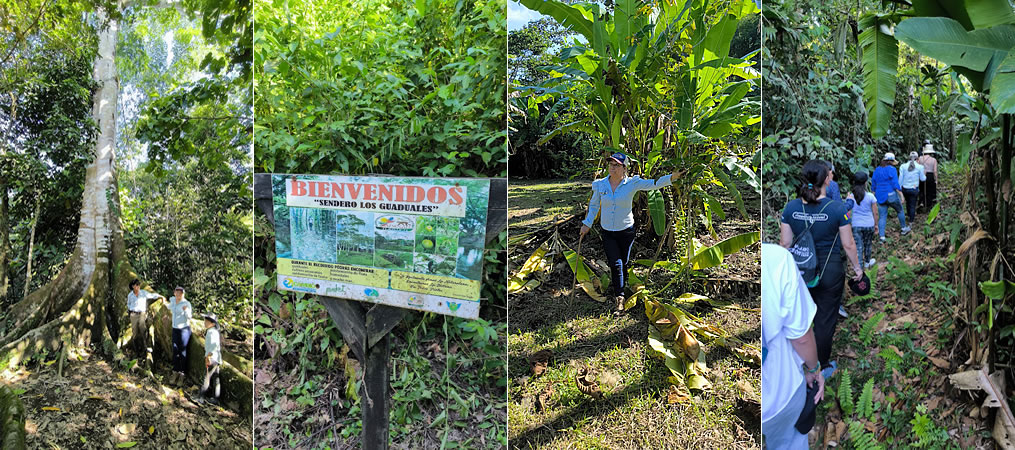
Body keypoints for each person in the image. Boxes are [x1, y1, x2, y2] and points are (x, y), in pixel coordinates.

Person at [780, 160, 863, 375]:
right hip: (830, 271)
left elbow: (785, 244)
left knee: (799, 316)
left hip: (799, 271)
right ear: (827, 179)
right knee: (825, 319)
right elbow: (848, 244)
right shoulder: (837, 209)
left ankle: (797, 363)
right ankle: (821, 366)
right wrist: (858, 270)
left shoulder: (791, 208)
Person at [579, 152, 678, 314]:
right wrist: (586, 224)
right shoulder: (600, 184)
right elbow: (594, 205)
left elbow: (653, 184)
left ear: (625, 168)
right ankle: (620, 297)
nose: (612, 167)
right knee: (615, 263)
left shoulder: (632, 183)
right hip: (608, 232)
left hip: (626, 231)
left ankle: (620, 284)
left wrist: (671, 177)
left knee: (623, 263)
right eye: (611, 164)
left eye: (617, 165)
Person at [762, 243, 824, 449]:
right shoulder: (776, 258)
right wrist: (814, 369)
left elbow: (787, 240)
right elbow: (801, 336)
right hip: (781, 394)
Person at [871, 153, 909, 241]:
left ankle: (882, 237)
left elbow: (873, 185)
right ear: (891, 161)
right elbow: (895, 183)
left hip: (879, 196)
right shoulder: (892, 169)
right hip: (890, 194)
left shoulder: (877, 170)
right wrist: (901, 195)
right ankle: (903, 228)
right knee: (899, 210)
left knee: (883, 216)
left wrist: (873, 195)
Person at [845, 171, 879, 270]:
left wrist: (848, 223)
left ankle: (858, 268)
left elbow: (848, 213)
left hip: (856, 224)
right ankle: (867, 262)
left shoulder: (851, 197)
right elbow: (875, 213)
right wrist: (876, 225)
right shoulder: (870, 196)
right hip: (869, 224)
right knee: (868, 244)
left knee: (858, 247)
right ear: (865, 183)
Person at [126, 279, 165, 361]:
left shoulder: (143, 293)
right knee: (135, 333)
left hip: (142, 313)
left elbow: (152, 295)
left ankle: (146, 347)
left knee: (142, 327)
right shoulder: (130, 295)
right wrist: (130, 311)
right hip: (133, 314)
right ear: (133, 286)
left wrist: (160, 296)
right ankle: (137, 351)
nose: (138, 286)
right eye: (136, 285)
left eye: (138, 285)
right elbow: (128, 304)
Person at [169, 286, 193, 385]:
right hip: (175, 329)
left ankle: (182, 374)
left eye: (181, 293)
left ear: (183, 294)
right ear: (174, 293)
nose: (178, 295)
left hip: (184, 330)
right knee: (175, 349)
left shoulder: (186, 303)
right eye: (177, 292)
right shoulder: (173, 300)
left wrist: (186, 310)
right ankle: (175, 371)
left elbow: (189, 316)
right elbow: (169, 306)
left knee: (182, 351)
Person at [200, 313, 222, 405]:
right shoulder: (214, 332)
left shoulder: (211, 332)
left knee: (207, 377)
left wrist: (208, 357)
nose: (205, 322)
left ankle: (201, 397)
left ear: (212, 323)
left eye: (207, 321)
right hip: (217, 358)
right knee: (216, 378)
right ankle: (215, 398)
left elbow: (212, 346)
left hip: (212, 358)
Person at [899, 151, 926, 224]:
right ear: (917, 159)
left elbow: (900, 178)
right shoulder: (920, 167)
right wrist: (925, 174)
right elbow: (923, 179)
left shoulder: (903, 166)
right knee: (912, 204)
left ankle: (909, 216)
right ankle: (911, 221)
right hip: (914, 189)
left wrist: (899, 188)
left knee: (908, 202)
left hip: (905, 188)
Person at [918, 141, 939, 209]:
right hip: (930, 176)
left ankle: (921, 202)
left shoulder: (920, 158)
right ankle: (928, 205)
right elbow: (935, 171)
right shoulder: (933, 160)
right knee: (930, 191)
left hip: (921, 175)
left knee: (922, 189)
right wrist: (936, 179)